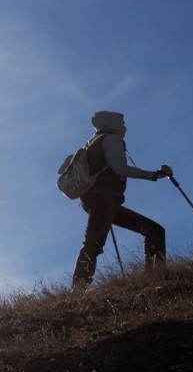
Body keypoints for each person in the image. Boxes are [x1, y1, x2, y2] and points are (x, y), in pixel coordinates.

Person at [72, 111, 173, 289]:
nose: (125, 127)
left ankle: (78, 287)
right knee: (152, 231)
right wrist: (154, 175)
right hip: (105, 200)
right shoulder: (112, 139)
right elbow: (120, 168)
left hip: (93, 199)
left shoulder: (92, 142)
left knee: (93, 241)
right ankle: (156, 277)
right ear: (112, 123)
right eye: (121, 123)